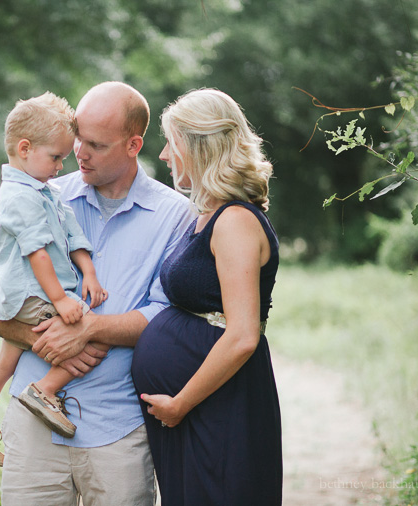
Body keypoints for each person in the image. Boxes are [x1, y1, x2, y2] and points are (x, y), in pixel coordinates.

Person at [0, 81, 192, 505]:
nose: (78, 153)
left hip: (118, 429)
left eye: (94, 144)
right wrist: (38, 336)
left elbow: (168, 316)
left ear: (133, 145)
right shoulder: (40, 194)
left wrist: (89, 329)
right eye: (76, 140)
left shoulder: (175, 216)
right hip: (31, 428)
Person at [131, 88, 283, 506]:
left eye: (171, 143)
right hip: (198, 410)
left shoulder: (235, 221)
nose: (164, 155)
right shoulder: (206, 215)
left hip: (220, 408)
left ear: (200, 146)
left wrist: (180, 403)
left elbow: (242, 336)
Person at [0, 92, 110, 467]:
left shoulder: (45, 190)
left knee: (5, 362)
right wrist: (61, 302)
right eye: (55, 157)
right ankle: (43, 391)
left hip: (33, 293)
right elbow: (36, 253)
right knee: (91, 339)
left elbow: (72, 234)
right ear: (24, 149)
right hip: (29, 294)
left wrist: (88, 272)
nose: (60, 167)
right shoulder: (18, 197)